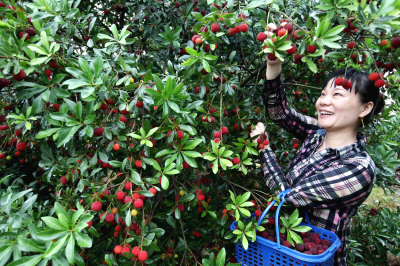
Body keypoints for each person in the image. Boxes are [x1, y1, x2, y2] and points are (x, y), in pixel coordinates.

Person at [250, 23, 385, 266]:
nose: (323, 101)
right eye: (323, 93)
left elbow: (286, 196)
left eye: (337, 95)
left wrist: (265, 149)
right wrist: (274, 61)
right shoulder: (317, 133)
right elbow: (279, 112)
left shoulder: (359, 168)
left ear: (365, 108)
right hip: (285, 248)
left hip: (316, 259)